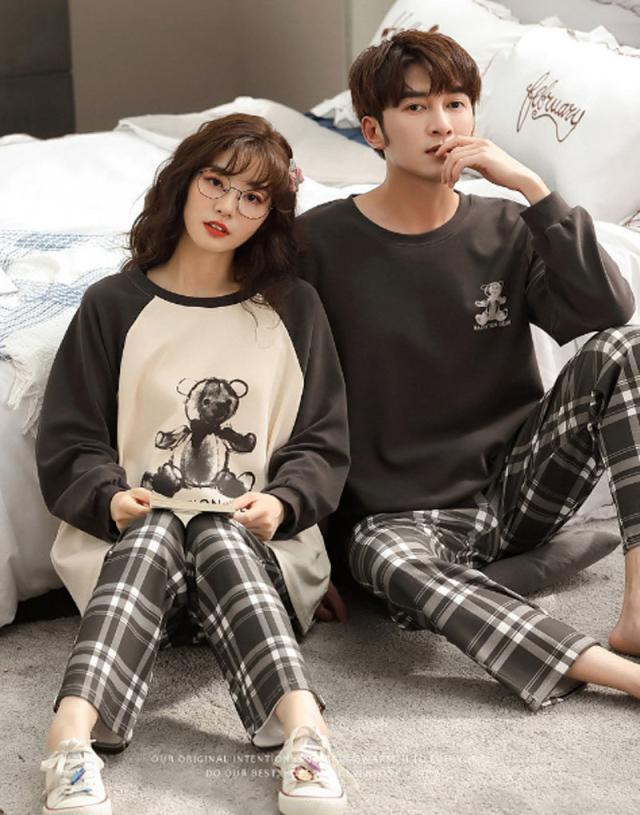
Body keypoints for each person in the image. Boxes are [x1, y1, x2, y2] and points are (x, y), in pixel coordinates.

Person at [297, 28, 640, 714]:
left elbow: (608, 311)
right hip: (394, 519)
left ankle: (637, 607)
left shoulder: (509, 226)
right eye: (416, 107)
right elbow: (285, 395)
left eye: (455, 104)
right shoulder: (318, 243)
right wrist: (300, 540)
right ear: (373, 130)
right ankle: (615, 672)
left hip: (515, 490)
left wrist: (534, 189)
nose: (442, 124)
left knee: (627, 349)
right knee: (388, 563)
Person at [36, 114, 350, 815]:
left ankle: (306, 735)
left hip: (256, 564)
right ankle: (71, 742)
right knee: (159, 526)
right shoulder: (113, 305)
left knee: (214, 527)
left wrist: (283, 503)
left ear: (270, 213)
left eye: (252, 197)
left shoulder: (293, 308)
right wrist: (109, 499)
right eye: (215, 182)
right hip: (131, 566)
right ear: (184, 181)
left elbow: (322, 440)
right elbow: (69, 439)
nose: (227, 207)